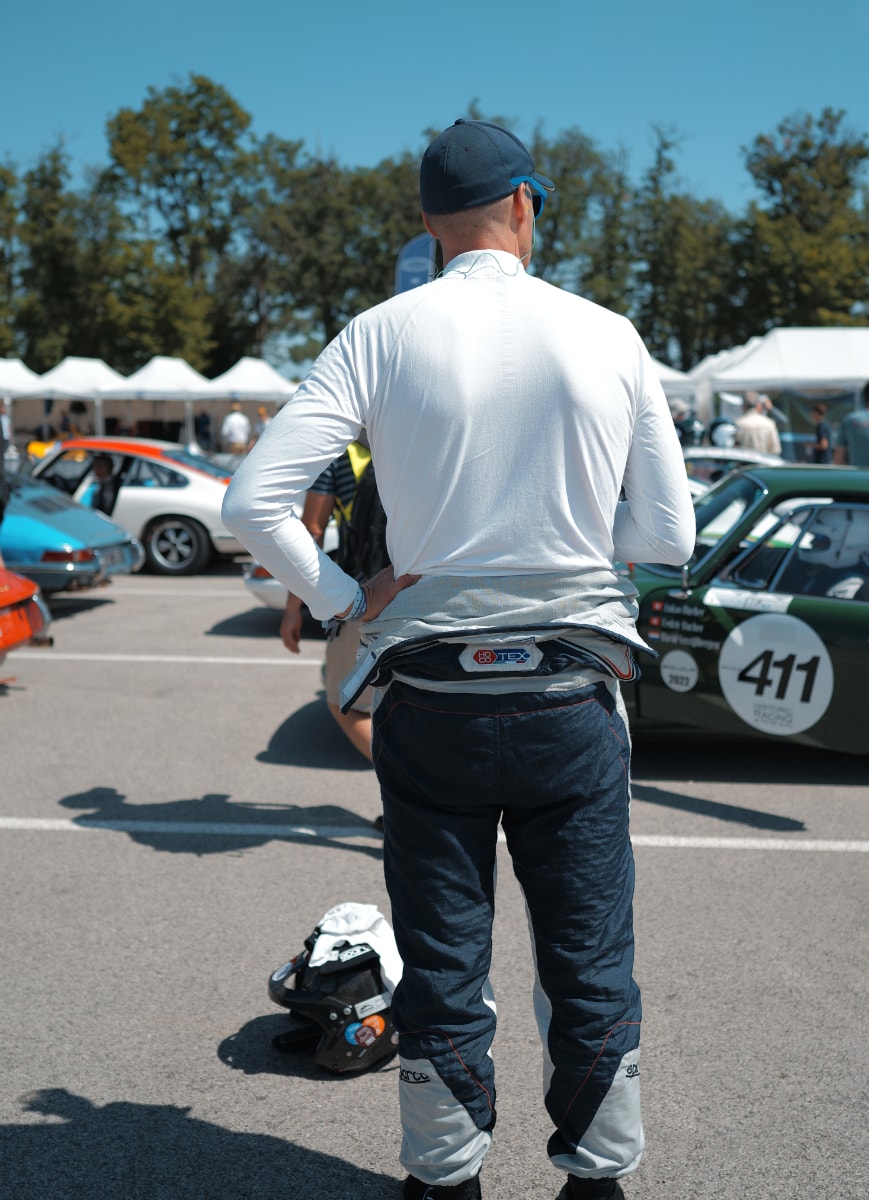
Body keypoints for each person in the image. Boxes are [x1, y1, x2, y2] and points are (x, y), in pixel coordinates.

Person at [222, 117, 695, 1200]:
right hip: (570, 695)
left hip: (430, 696)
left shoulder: (380, 333)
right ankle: (597, 1179)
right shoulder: (608, 334)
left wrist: (347, 597)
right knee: (587, 960)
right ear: (526, 203)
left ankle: (445, 1182)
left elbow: (253, 503)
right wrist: (574, 544)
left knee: (442, 963)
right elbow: (669, 537)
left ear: (429, 223)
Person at [279, 447, 384, 770]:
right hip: (430, 590)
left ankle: (413, 786)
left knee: (346, 704)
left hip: (366, 594)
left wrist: (293, 607)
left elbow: (312, 531)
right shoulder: (419, 437)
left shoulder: (339, 452)